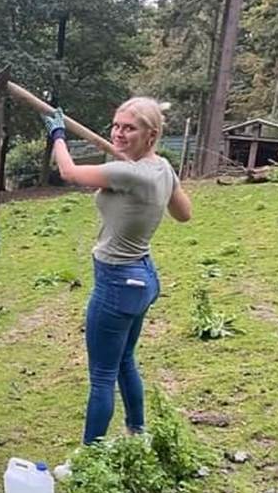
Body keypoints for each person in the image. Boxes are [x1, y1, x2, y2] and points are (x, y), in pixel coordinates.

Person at [40, 98, 191, 447]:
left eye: (130, 128)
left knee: (102, 376)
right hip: (143, 277)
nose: (119, 133)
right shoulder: (161, 169)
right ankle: (137, 433)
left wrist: (58, 135)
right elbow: (183, 213)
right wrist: (141, 173)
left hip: (116, 282)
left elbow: (68, 173)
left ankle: (90, 458)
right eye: (117, 126)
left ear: (151, 135)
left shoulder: (130, 173)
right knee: (124, 360)